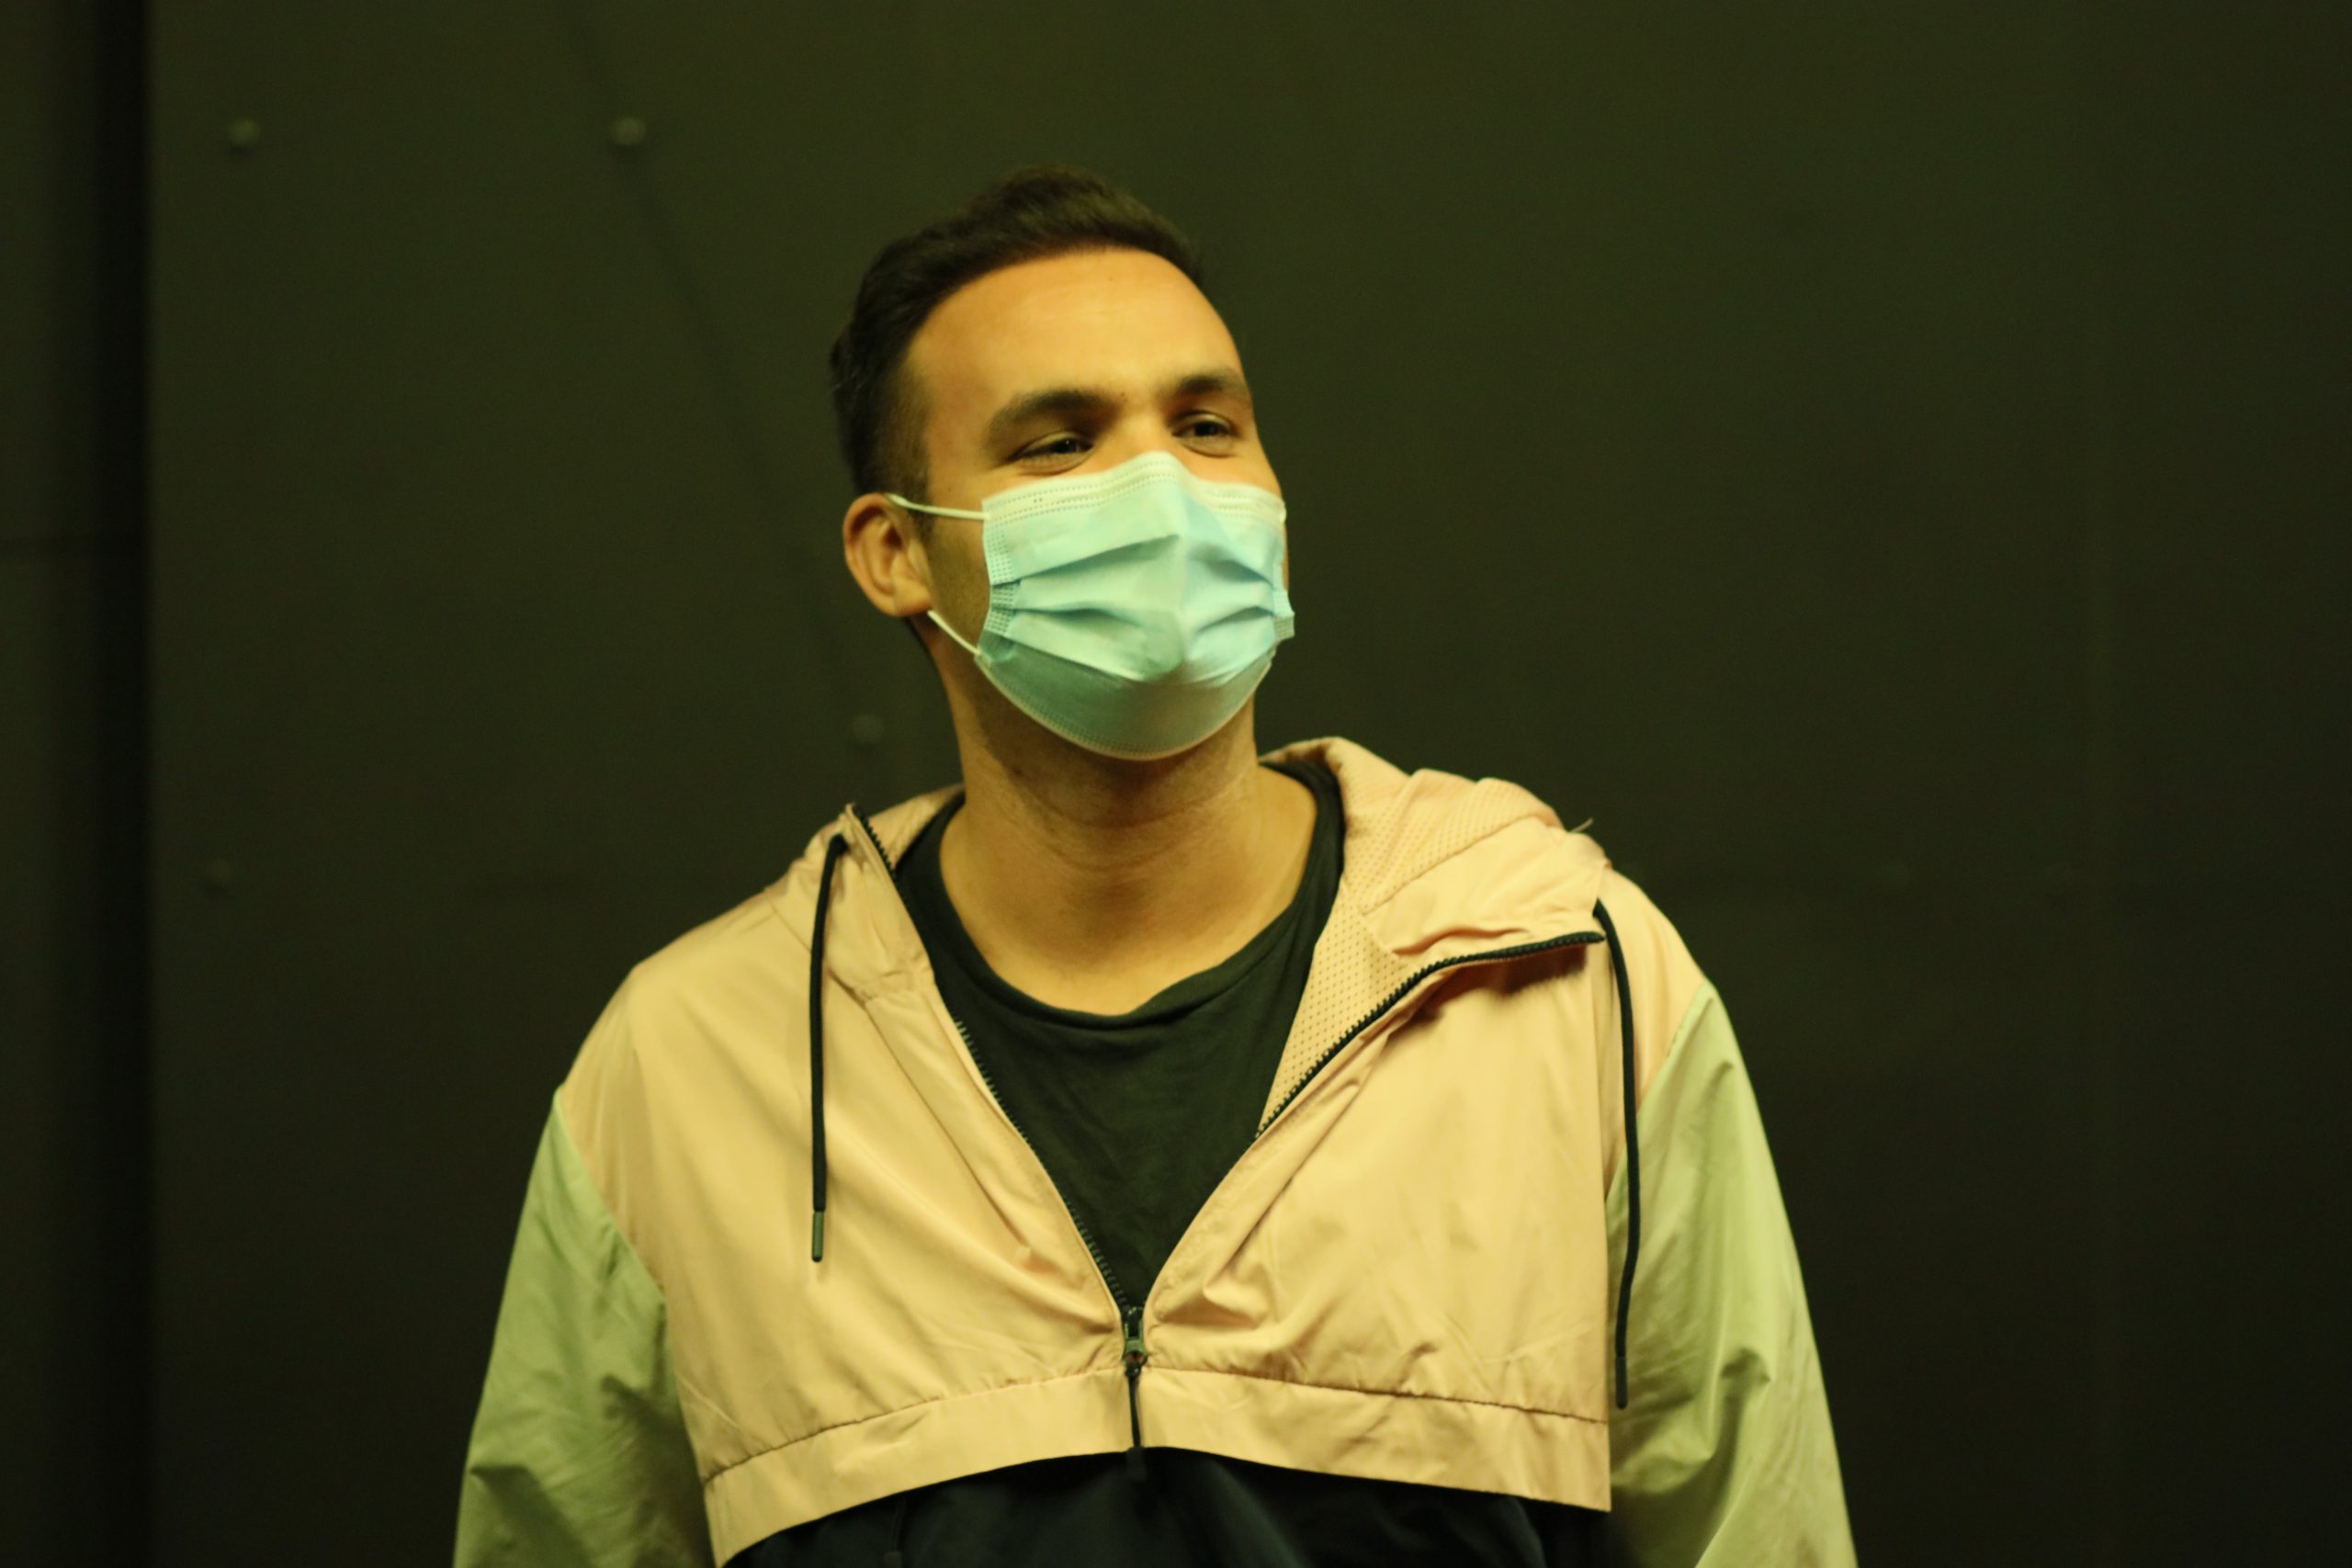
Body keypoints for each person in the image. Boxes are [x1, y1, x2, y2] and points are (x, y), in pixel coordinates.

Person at [454, 163, 1856, 1567]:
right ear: (896, 553)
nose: (1163, 488)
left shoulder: (1569, 979)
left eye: (1205, 426)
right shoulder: (689, 1069)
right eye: (1059, 443)